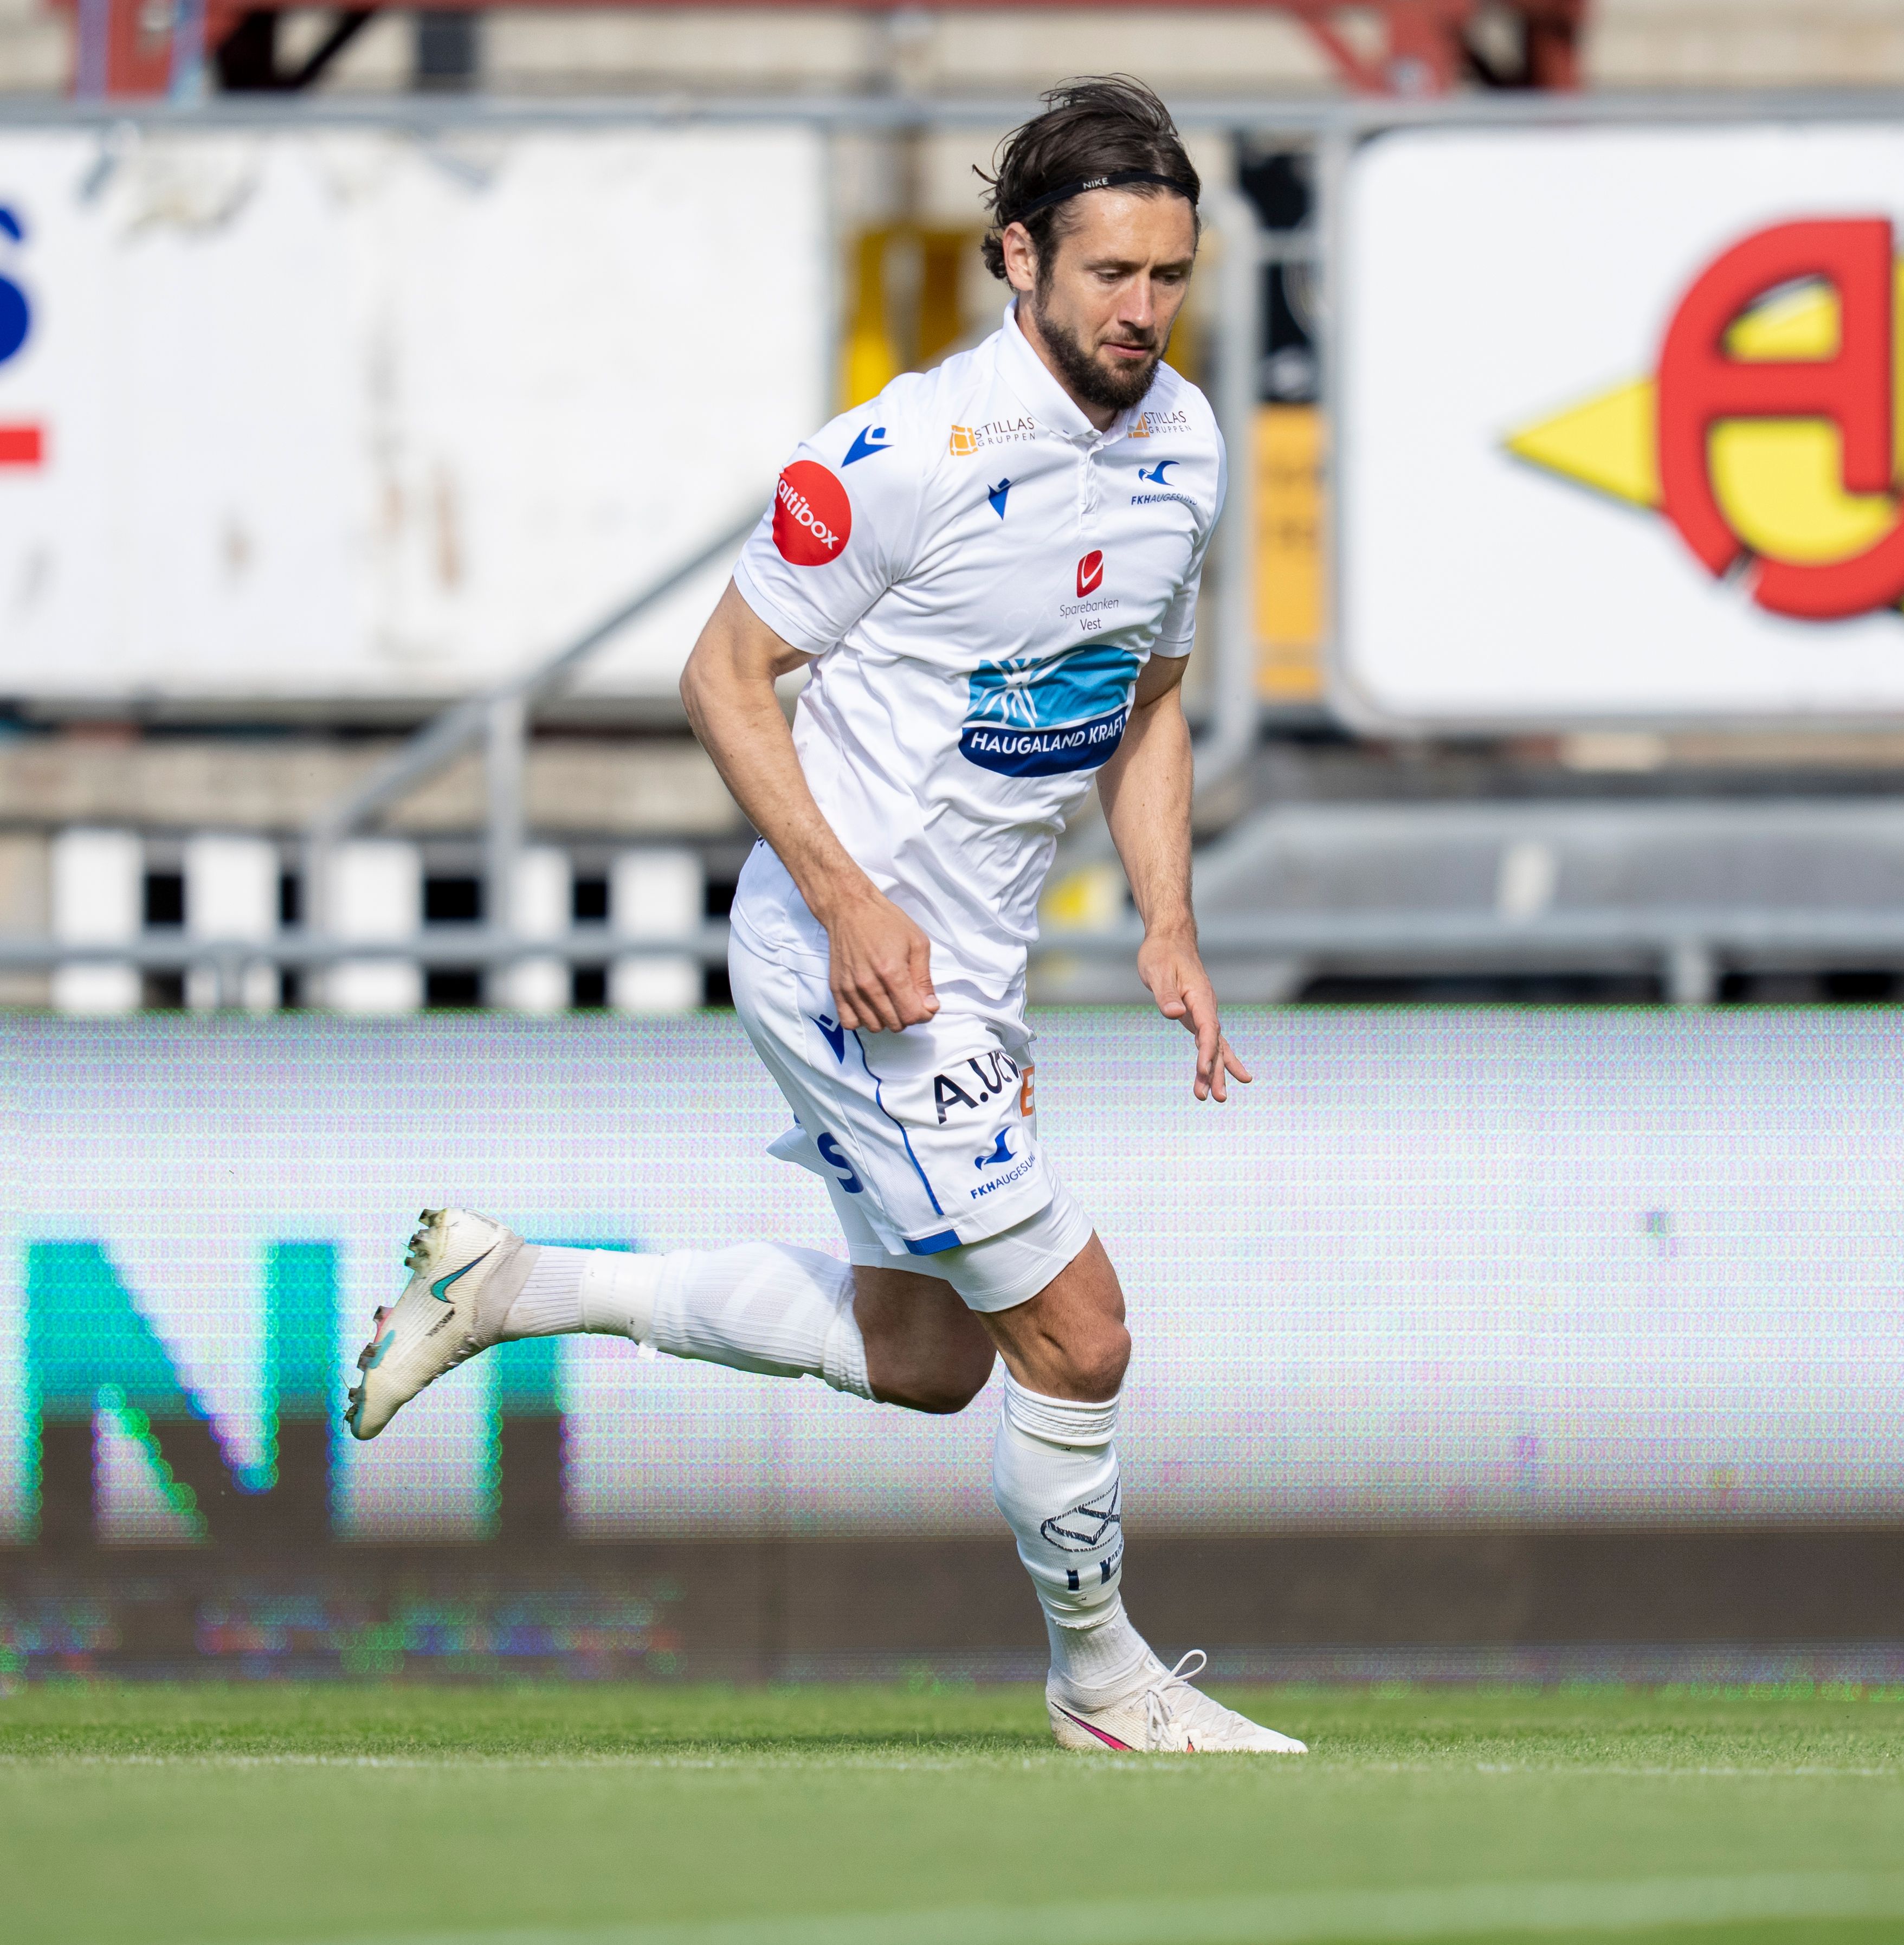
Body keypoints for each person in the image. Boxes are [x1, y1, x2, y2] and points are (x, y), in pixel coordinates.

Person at [343, 76, 1301, 1757]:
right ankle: (1105, 1685)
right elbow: (723, 677)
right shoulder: (905, 455)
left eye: (1170, 275)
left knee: (930, 1358)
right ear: (1019, 256)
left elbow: (1147, 697)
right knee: (1080, 1333)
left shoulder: (1189, 445)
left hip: (972, 969)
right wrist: (850, 898)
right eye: (1110, 274)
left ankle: (513, 1284)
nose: (1143, 310)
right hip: (850, 962)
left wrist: (1169, 916)